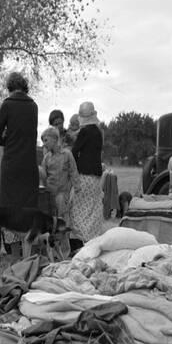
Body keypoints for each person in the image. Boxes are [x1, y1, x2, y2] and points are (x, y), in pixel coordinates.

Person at [0, 72, 39, 209]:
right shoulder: (33, 106)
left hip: (11, 163)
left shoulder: (7, 104)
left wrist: (8, 139)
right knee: (27, 203)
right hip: (29, 164)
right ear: (25, 87)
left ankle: (9, 230)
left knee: (9, 203)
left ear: (9, 87)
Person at [69, 101, 104, 247]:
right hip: (96, 177)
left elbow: (74, 151)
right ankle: (93, 240)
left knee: (78, 208)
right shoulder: (98, 132)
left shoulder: (84, 132)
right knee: (93, 208)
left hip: (84, 175)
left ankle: (80, 240)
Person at [39, 127, 79, 224]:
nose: (44, 144)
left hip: (62, 194)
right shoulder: (47, 157)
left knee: (62, 221)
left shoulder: (67, 154)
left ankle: (64, 238)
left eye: (46, 140)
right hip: (49, 194)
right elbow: (43, 176)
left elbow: (74, 173)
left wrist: (75, 191)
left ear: (55, 139)